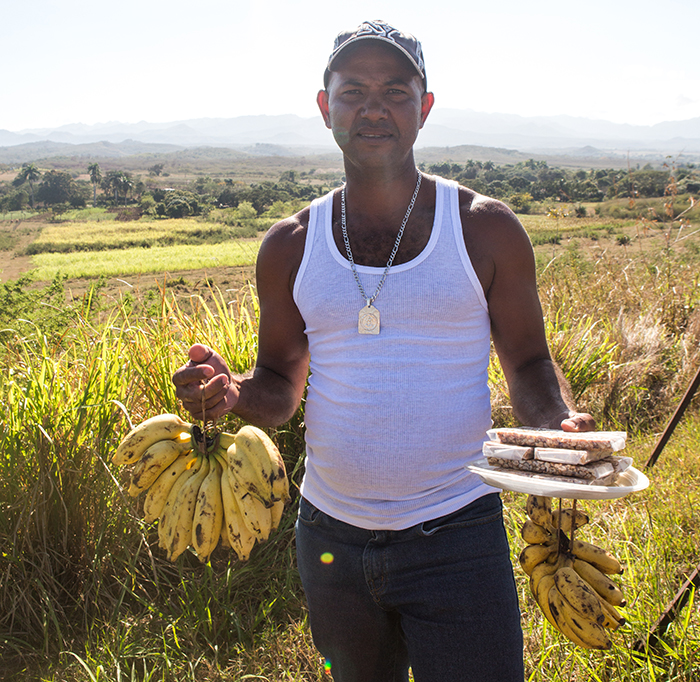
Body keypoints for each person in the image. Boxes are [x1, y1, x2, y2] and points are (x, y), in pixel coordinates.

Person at [172, 19, 595, 682]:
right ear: (325, 107)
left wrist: (555, 422)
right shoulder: (289, 244)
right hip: (330, 540)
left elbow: (530, 363)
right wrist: (233, 395)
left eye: (396, 91)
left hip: (457, 532)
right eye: (353, 91)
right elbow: (281, 384)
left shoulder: (485, 229)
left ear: (424, 109)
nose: (374, 108)